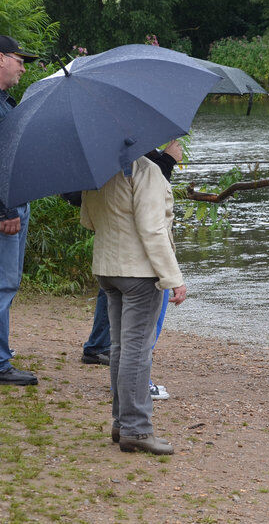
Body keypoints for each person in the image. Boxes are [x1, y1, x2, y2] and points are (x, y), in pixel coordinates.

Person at [81, 153, 187, 454]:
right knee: (137, 350)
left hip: (107, 268)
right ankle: (136, 430)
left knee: (119, 347)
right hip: (139, 272)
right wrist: (173, 278)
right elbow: (153, 230)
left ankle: (121, 422)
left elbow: (88, 220)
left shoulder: (97, 169)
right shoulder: (145, 169)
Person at [0, 36, 39, 386]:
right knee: (3, 284)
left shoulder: (4, 102)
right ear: (0, 59)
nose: (23, 67)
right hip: (5, 211)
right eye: (18, 60)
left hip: (10, 206)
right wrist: (6, 210)